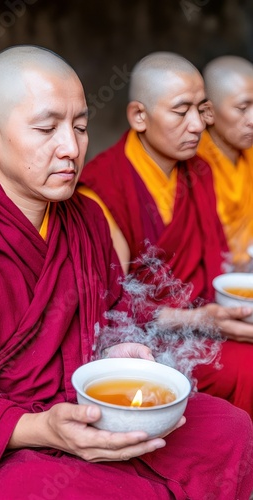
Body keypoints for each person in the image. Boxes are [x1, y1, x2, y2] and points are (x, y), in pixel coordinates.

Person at [0, 44, 252, 500]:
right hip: (7, 442)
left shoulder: (85, 218)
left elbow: (113, 305)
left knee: (229, 429)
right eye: (46, 128)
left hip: (92, 410)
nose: (71, 147)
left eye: (80, 126)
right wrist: (41, 428)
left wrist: (123, 344)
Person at [78, 51, 253, 418]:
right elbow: (115, 308)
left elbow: (211, 262)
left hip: (204, 322)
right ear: (139, 116)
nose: (197, 126)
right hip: (144, 342)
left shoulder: (197, 171)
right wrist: (200, 319)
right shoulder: (104, 189)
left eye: (201, 110)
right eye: (181, 110)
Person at [197, 55, 253, 269]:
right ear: (209, 112)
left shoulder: (250, 154)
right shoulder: (192, 163)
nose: (252, 120)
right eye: (242, 108)